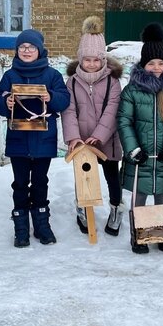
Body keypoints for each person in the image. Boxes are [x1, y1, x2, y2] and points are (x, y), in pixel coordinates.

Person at [117, 22, 163, 254]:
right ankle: (139, 235)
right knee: (139, 197)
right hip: (140, 157)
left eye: (160, 63)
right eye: (151, 63)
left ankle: (160, 233)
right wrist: (132, 149)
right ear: (143, 65)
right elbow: (124, 121)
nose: (156, 67)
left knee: (162, 197)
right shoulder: (132, 91)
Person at [0, 29, 71, 247]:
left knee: (40, 182)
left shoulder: (52, 75)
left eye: (31, 47)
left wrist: (51, 96)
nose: (27, 51)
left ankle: (42, 225)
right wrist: (6, 102)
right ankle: (20, 227)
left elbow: (64, 101)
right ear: (17, 51)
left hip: (43, 139)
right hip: (18, 139)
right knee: (20, 183)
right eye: (22, 47)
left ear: (40, 50)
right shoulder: (10, 75)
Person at [61, 16, 124, 236]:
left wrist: (99, 136)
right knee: (84, 177)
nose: (91, 64)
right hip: (81, 141)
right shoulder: (72, 82)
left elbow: (112, 110)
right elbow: (68, 111)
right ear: (80, 59)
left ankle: (116, 208)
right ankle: (83, 208)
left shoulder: (112, 81)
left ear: (103, 59)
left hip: (107, 140)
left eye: (96, 60)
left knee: (112, 177)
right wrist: (73, 138)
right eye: (86, 60)